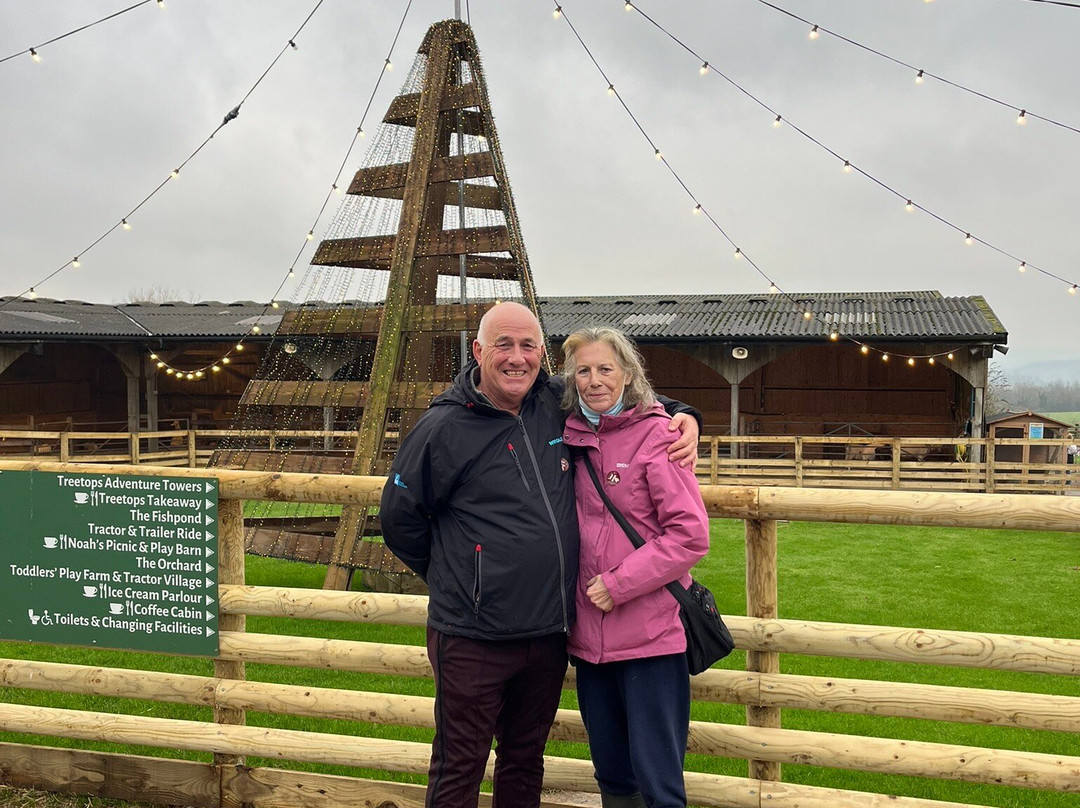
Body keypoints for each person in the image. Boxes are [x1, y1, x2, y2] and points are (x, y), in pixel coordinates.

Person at [379, 302, 700, 808]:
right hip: (473, 633)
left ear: (541, 355)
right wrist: (462, 578)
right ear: (478, 351)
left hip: (547, 633)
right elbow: (400, 520)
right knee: (460, 763)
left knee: (525, 760)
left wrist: (686, 416)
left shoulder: (551, 400)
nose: (517, 357)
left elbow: (623, 393)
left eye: (528, 345)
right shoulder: (442, 426)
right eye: (503, 345)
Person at [560, 326, 710, 808]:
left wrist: (619, 584)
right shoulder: (567, 436)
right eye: (584, 370)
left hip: (650, 638)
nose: (595, 380)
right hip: (590, 641)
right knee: (612, 774)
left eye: (606, 369)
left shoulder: (658, 435)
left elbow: (690, 534)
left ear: (627, 373)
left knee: (657, 779)